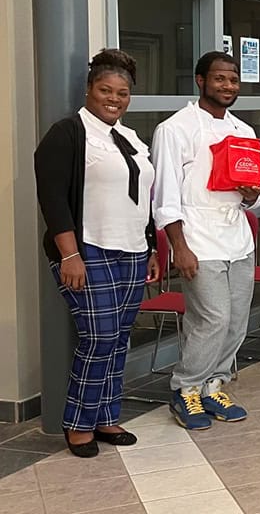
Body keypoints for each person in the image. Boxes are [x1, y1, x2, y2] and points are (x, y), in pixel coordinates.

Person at [34, 49, 160, 457]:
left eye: (122, 93)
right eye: (106, 90)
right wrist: (69, 255)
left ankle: (107, 415)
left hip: (133, 250)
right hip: (89, 251)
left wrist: (153, 247)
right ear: (89, 89)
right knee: (99, 337)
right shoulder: (68, 133)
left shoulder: (129, 137)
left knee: (120, 338)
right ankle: (78, 422)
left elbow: (144, 198)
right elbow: (52, 198)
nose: (114, 98)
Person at [152, 51, 260, 430]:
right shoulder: (175, 129)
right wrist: (179, 248)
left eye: (233, 80)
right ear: (200, 81)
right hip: (198, 238)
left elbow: (252, 194)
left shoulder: (244, 131)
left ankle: (214, 384)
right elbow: (164, 197)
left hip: (238, 238)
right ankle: (185, 389)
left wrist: (251, 194)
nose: (227, 86)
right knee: (211, 318)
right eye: (219, 79)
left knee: (236, 321)